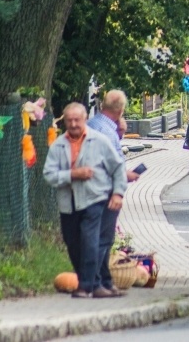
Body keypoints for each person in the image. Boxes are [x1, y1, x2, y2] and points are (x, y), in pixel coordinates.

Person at [43, 103, 127, 299]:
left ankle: (85, 286)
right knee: (72, 243)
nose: (73, 124)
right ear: (64, 121)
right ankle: (93, 283)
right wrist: (72, 174)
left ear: (85, 119)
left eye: (77, 120)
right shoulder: (58, 145)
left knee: (90, 241)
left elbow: (118, 168)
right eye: (69, 120)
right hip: (68, 202)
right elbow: (49, 175)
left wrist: (117, 194)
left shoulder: (99, 141)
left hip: (94, 198)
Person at [87, 90, 136, 297]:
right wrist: (126, 175)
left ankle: (106, 281)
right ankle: (95, 283)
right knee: (103, 238)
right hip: (105, 190)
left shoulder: (95, 124)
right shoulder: (106, 133)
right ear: (121, 110)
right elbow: (108, 165)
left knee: (102, 237)